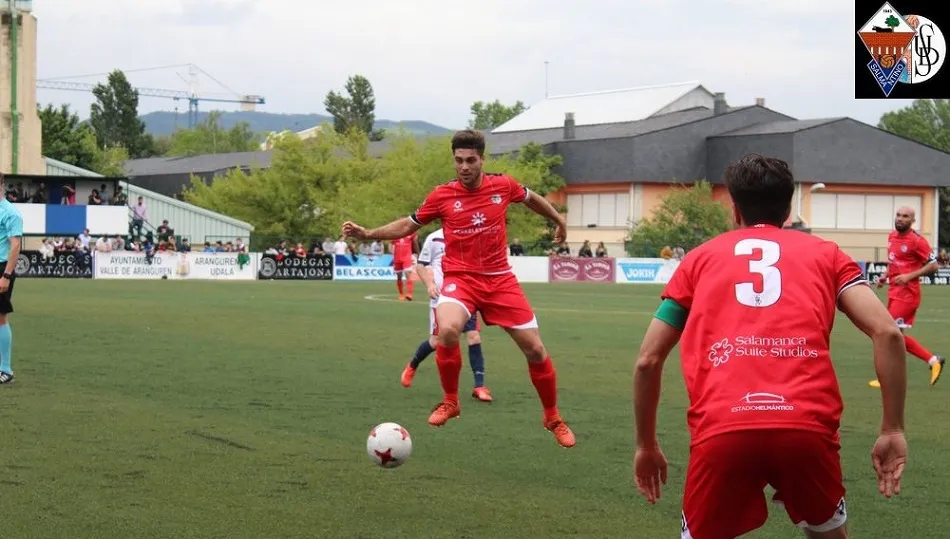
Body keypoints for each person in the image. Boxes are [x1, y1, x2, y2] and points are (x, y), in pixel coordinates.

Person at [632, 155, 907, 539]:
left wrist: (646, 444)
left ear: (734, 209)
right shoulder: (828, 255)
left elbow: (648, 360)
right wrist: (892, 427)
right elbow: (889, 333)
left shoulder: (697, 261)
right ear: (789, 208)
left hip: (723, 428)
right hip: (806, 428)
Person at [343, 129, 575, 448]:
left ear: (482, 159)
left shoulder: (502, 185)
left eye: (470, 160)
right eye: (458, 160)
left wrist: (558, 220)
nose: (464, 166)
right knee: (448, 329)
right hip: (460, 278)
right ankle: (450, 402)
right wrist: (368, 234)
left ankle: (552, 417)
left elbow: (531, 199)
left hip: (499, 279)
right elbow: (409, 224)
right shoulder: (442, 195)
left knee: (535, 350)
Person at [401, 227, 492, 402]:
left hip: (467, 295)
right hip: (442, 299)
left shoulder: (471, 234)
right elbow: (420, 265)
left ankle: (479, 386)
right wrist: (429, 284)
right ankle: (413, 365)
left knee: (474, 337)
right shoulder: (434, 238)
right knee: (435, 342)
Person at [868, 206, 943, 388]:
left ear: (912, 221)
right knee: (895, 337)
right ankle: (933, 361)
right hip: (894, 292)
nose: (901, 218)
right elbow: (893, 261)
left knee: (888, 333)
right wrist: (886, 275)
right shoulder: (892, 236)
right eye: (899, 215)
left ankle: (892, 376)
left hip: (908, 294)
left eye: (906, 216)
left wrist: (909, 276)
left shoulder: (917, 241)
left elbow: (934, 266)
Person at [0, 173, 23, 385]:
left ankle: (5, 370)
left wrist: (6, 275)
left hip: (1, 267)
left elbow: (16, 245)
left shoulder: (10, 213)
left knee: (0, 316)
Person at [391, 232, 418, 301]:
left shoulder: (412, 232)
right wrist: (392, 253)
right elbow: (391, 244)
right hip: (397, 258)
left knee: (408, 273)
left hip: (407, 257)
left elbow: (415, 242)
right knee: (399, 276)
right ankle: (401, 294)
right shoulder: (396, 232)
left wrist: (417, 252)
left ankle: (409, 294)